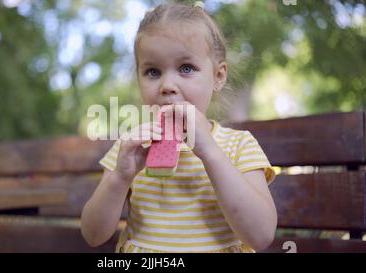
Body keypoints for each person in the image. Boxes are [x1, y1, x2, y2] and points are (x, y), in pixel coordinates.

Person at [81, 1, 277, 253]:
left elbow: (260, 236)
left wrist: (210, 152)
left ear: (218, 77)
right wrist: (120, 177)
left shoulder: (238, 145)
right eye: (152, 71)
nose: (167, 85)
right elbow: (93, 235)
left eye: (186, 68)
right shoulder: (130, 147)